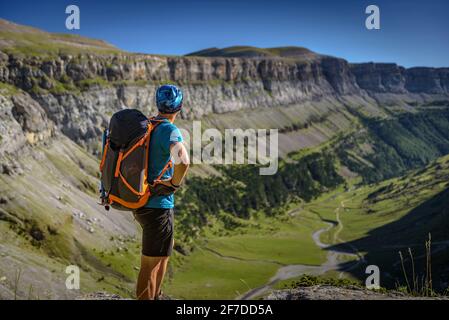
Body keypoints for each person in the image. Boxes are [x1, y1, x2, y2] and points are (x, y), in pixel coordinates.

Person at [133, 84, 190, 300]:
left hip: (142, 202)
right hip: (158, 206)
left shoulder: (149, 124)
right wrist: (174, 185)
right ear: (179, 108)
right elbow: (183, 162)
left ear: (158, 104)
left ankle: (156, 295)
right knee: (149, 264)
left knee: (162, 253)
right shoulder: (169, 130)